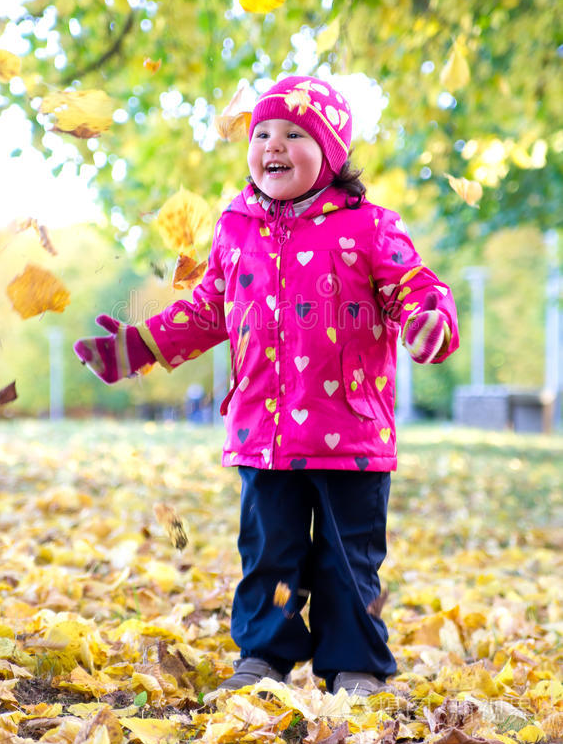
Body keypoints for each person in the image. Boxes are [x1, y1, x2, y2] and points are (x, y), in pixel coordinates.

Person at [74, 75, 459, 698]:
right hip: (264, 432)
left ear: (331, 153)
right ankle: (265, 657)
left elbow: (417, 287)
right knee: (268, 556)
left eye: (294, 133)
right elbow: (206, 312)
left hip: (351, 434)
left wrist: (430, 321)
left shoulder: (370, 228)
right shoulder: (235, 227)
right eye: (262, 133)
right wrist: (139, 346)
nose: (272, 144)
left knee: (347, 560)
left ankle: (353, 664)